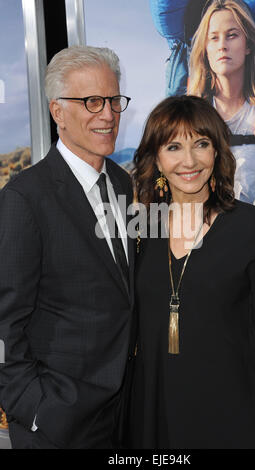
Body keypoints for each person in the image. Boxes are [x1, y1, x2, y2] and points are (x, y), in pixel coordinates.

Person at [128, 95, 255, 449]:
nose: (189, 161)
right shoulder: (140, 229)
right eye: (173, 146)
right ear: (156, 158)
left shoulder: (250, 226)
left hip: (236, 416)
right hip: (155, 416)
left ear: (217, 151)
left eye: (201, 144)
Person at [0, 46, 136, 449]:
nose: (108, 114)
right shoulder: (25, 198)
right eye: (92, 101)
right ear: (57, 112)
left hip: (124, 414)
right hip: (60, 424)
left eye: (113, 100)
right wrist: (37, 409)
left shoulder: (123, 184)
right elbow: (5, 321)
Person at [188, 0, 255, 211]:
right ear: (205, 49)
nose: (222, 45)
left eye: (232, 35)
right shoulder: (192, 113)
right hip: (210, 237)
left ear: (248, 45)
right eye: (214, 38)